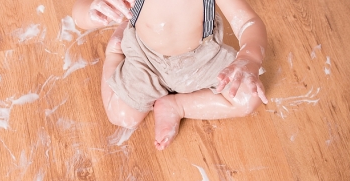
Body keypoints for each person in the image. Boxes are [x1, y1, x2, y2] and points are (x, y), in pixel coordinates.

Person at [72, 0, 268, 150]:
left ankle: (176, 106)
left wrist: (249, 57)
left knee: (248, 97)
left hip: (202, 58)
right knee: (121, 116)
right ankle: (114, 53)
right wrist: (93, 10)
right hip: (145, 60)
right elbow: (78, 12)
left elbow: (248, 22)